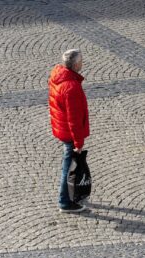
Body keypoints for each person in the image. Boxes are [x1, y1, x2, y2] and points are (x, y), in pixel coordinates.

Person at [48, 49, 90, 213]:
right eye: (81, 61)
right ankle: (65, 202)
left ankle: (70, 197)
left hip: (61, 127)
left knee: (69, 164)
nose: (82, 63)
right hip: (68, 132)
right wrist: (78, 143)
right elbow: (74, 120)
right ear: (76, 64)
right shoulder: (71, 87)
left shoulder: (58, 74)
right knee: (69, 166)